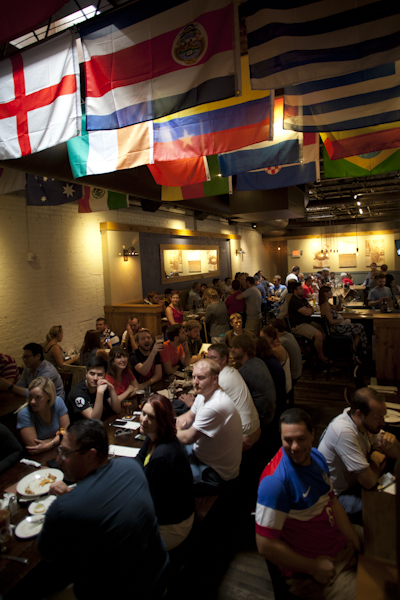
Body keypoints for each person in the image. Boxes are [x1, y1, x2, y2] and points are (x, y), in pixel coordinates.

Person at [38, 420, 169, 600]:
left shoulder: (62, 508)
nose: (59, 459)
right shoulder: (131, 467)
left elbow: (48, 556)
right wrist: (71, 494)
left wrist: (68, 500)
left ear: (90, 456)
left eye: (65, 452)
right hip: (159, 576)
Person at [256, 408, 361, 600]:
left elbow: (333, 503)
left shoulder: (317, 458)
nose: (294, 447)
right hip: (315, 569)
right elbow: (264, 545)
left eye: (301, 439)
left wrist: (355, 541)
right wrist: (313, 567)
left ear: (313, 435)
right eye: (287, 440)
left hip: (336, 542)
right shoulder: (275, 483)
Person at [318, 387, 400, 520]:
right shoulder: (343, 431)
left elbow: (395, 452)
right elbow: (369, 482)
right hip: (335, 498)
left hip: (354, 486)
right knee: (389, 508)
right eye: (378, 418)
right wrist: (375, 459)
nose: (383, 423)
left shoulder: (364, 423)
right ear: (359, 414)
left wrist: (393, 441)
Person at [137, 394, 194, 550]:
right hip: (169, 513)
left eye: (150, 417)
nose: (143, 420)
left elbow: (155, 507)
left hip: (173, 526)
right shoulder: (155, 435)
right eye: (143, 413)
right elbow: (138, 460)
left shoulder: (162, 456)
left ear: (161, 421)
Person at [176, 359, 242, 493]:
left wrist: (168, 428)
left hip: (215, 473)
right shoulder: (204, 393)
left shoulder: (215, 405)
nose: (195, 382)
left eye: (200, 378)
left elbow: (187, 438)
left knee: (170, 477)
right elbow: (189, 417)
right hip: (203, 456)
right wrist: (172, 422)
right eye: (193, 377)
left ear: (214, 379)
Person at [204, 344, 261, 450]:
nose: (209, 361)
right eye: (208, 358)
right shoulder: (232, 371)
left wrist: (191, 403)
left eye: (214, 358)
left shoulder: (223, 379)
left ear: (224, 359)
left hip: (244, 433)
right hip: (254, 426)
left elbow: (206, 407)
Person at [231, 335, 276, 432]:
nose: (232, 350)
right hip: (270, 413)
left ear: (245, 349)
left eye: (236, 347)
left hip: (261, 417)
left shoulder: (246, 370)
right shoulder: (258, 361)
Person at [16, 377, 69, 455]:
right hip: (36, 457)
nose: (32, 401)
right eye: (30, 396)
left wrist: (50, 443)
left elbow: (66, 431)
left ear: (49, 396)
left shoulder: (58, 402)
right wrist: (57, 437)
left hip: (56, 449)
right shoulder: (24, 413)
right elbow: (34, 447)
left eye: (38, 397)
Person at [0, 343, 65, 400]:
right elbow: (20, 386)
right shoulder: (28, 368)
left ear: (38, 356)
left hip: (53, 403)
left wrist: (10, 386)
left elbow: (36, 393)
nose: (24, 360)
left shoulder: (48, 371)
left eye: (27, 357)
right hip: (38, 401)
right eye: (23, 357)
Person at [319, 285, 368, 359]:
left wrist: (340, 301)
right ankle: (360, 352)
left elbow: (337, 309)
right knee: (360, 327)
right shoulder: (325, 306)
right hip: (336, 328)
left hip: (337, 326)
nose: (331, 293)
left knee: (358, 332)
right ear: (325, 293)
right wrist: (341, 320)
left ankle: (356, 354)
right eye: (330, 291)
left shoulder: (327, 303)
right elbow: (331, 322)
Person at [67, 356, 121, 422]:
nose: (95, 378)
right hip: (81, 430)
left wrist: (111, 388)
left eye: (100, 375)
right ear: (86, 374)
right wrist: (100, 393)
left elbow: (117, 410)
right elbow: (94, 419)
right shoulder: (77, 394)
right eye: (92, 374)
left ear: (105, 375)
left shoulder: (102, 385)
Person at [288, 282, 328, 363]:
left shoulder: (301, 299)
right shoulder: (295, 301)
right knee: (318, 334)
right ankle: (320, 355)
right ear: (295, 291)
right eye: (300, 289)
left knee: (322, 328)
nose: (303, 290)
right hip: (298, 325)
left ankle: (315, 351)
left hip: (306, 322)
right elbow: (308, 312)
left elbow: (310, 308)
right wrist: (311, 310)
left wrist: (310, 309)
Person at [269, 318, 303, 384]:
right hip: (298, 372)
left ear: (276, 330)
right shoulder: (289, 335)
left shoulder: (283, 341)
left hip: (292, 375)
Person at [260, 326, 292, 395]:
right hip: (285, 380)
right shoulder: (276, 344)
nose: (261, 340)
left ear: (270, 338)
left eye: (263, 338)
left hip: (283, 385)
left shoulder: (274, 350)